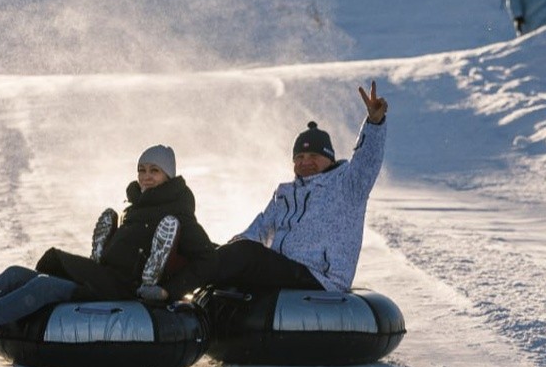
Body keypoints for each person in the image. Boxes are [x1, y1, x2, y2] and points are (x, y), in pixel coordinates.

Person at [0, 145, 215, 351]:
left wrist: (166, 291)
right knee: (17, 273)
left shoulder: (178, 212)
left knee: (45, 285)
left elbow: (204, 258)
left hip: (124, 290)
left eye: (154, 171)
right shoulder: (135, 207)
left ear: (168, 175)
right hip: (103, 278)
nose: (145, 177)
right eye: (142, 170)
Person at [151, 81, 388, 301]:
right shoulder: (285, 193)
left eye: (313, 156)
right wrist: (222, 250)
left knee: (244, 255)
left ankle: (169, 289)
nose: (305, 162)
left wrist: (374, 123)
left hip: (319, 276)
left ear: (329, 158)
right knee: (214, 249)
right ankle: (158, 266)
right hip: (282, 270)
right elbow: (260, 229)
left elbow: (367, 160)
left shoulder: (347, 185)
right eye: (300, 157)